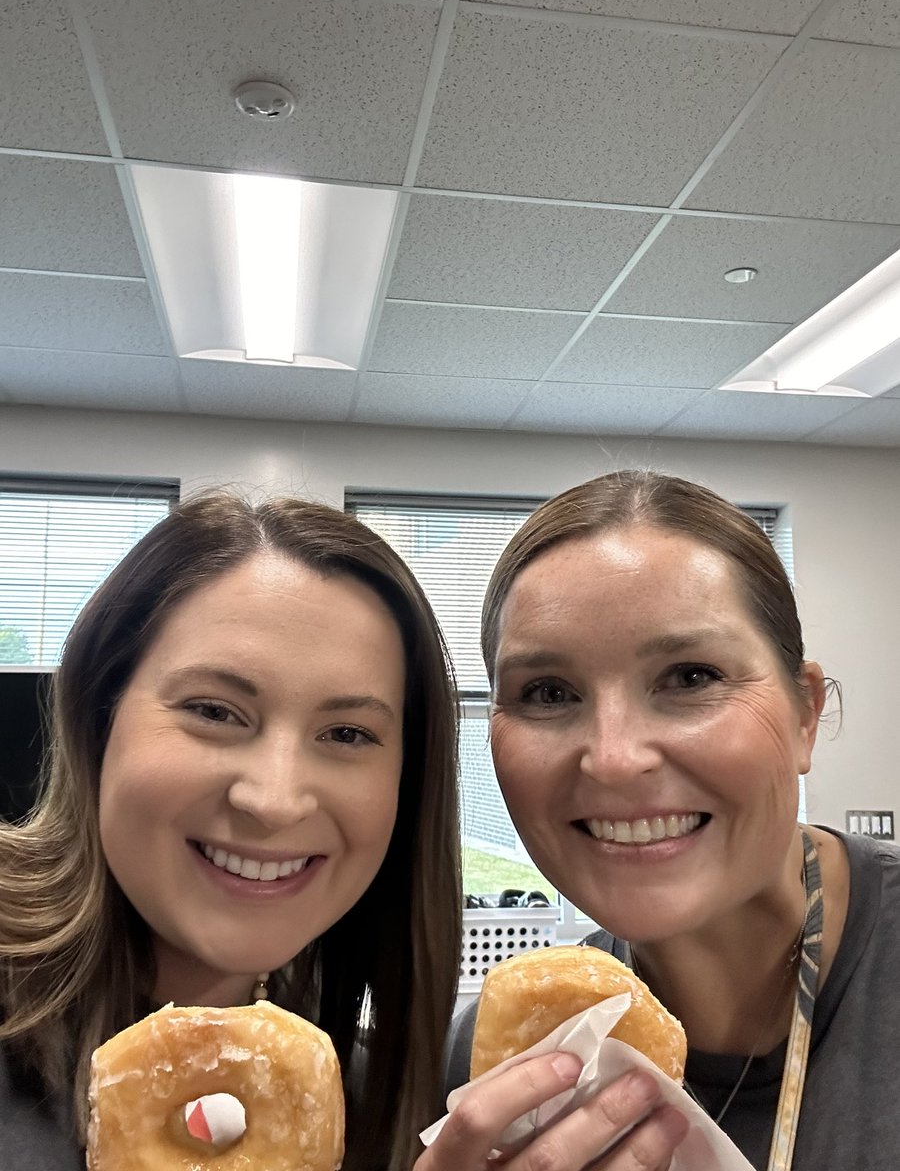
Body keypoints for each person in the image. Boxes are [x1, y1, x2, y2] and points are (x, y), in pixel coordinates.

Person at [447, 468, 900, 1170]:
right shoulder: (503, 1062)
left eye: (691, 676)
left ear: (805, 712)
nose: (615, 760)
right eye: (548, 692)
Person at [0, 491, 465, 1171]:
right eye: (215, 712)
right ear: (98, 719)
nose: (273, 801)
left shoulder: (359, 1101)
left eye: (346, 733)